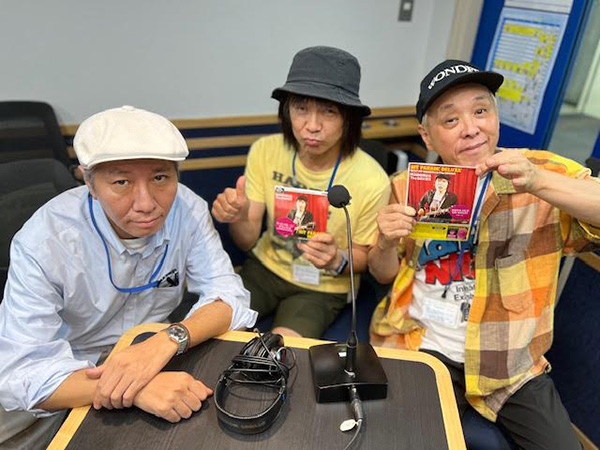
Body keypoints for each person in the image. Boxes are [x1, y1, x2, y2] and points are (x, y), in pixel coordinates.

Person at [368, 60, 600, 449]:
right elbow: (384, 273)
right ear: (427, 136)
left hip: (510, 363)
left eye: (481, 111)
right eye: (451, 120)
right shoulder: (407, 186)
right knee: (398, 438)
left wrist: (538, 181)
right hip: (422, 344)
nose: (471, 128)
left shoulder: (540, 171)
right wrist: (384, 243)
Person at [0, 105, 257, 448]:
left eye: (160, 178)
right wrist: (133, 387)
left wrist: (168, 340)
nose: (146, 203)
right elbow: (20, 372)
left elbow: (229, 296)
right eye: (121, 182)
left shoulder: (187, 209)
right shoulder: (45, 240)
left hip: (156, 352)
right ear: (89, 182)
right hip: (71, 369)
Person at [212, 46, 390, 338]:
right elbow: (246, 241)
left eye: (329, 112)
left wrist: (337, 259)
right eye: (301, 108)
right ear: (287, 111)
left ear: (348, 119)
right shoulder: (265, 150)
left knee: (282, 352)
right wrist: (239, 216)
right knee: (213, 328)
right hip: (264, 270)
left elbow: (363, 257)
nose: (312, 126)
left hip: (322, 287)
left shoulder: (372, 179)